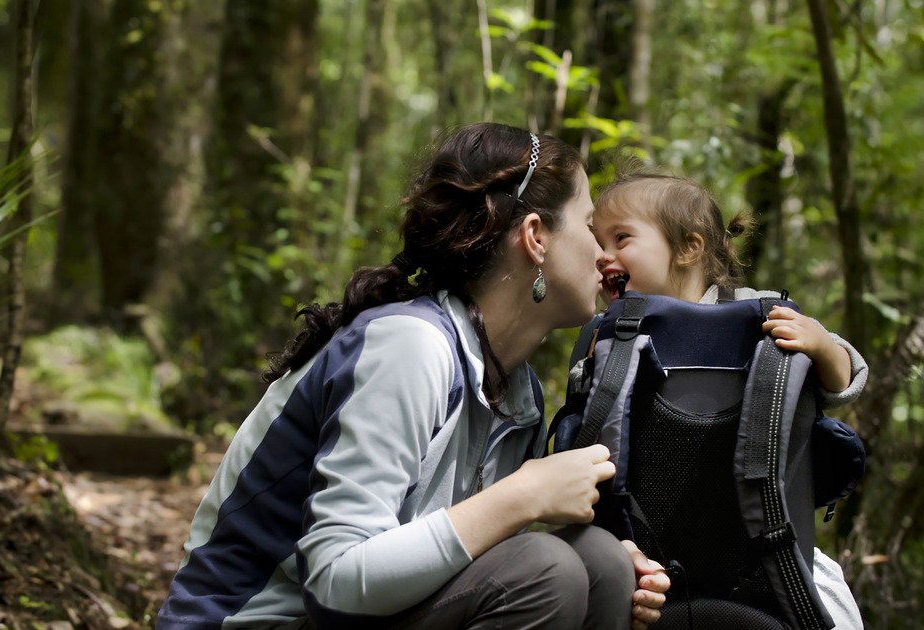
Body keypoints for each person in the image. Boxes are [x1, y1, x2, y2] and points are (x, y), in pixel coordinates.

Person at [157, 123, 670, 630]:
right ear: (535, 236)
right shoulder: (410, 345)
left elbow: (460, 547)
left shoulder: (519, 391)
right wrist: (524, 495)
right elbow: (335, 582)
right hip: (263, 621)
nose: (604, 255)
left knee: (602, 563)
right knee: (543, 569)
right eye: (587, 225)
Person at [590, 170, 867, 629]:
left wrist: (819, 345)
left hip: (769, 540)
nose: (604, 256)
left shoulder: (755, 312)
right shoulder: (611, 334)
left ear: (688, 248)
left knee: (834, 603)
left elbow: (839, 383)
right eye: (598, 243)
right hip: (647, 543)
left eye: (621, 238)